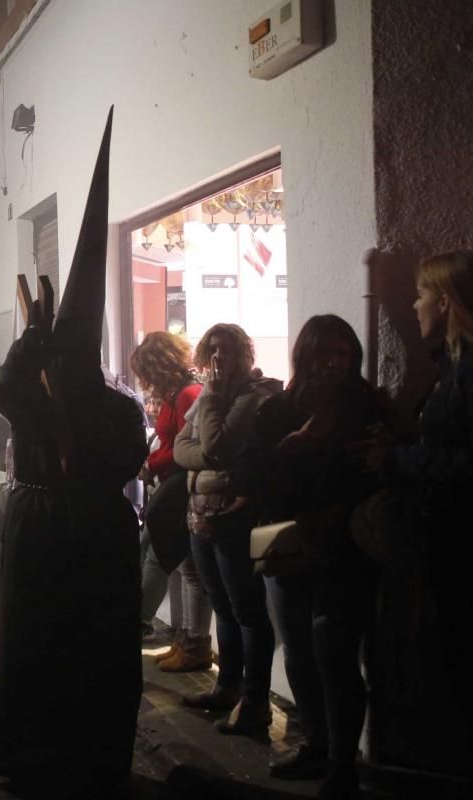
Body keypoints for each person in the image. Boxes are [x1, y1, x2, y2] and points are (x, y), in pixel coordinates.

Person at [0, 109, 149, 797]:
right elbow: (5, 386)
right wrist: (32, 341)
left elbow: (119, 463)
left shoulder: (117, 408)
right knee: (37, 646)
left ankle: (96, 752)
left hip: (88, 534)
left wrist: (60, 401)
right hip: (44, 532)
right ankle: (37, 749)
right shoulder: (33, 400)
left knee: (98, 648)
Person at [245, 315, 386, 795]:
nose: (330, 364)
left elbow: (377, 479)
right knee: (300, 654)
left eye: (340, 354)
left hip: (345, 551)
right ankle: (317, 745)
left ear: (353, 358)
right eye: (321, 353)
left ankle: (342, 765)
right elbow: (255, 483)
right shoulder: (278, 412)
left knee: (336, 655)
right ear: (302, 356)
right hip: (288, 547)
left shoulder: (368, 407)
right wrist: (290, 447)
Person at [366, 251, 473, 751]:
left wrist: (398, 461)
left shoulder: (467, 373)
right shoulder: (450, 367)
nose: (413, 305)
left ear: (446, 302)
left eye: (421, 294)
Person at [174, 322, 281, 735]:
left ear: (244, 354)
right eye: (213, 350)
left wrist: (213, 405)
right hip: (199, 510)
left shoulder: (252, 398)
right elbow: (185, 447)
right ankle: (228, 686)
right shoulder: (209, 397)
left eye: (228, 350)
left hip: (233, 513)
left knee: (247, 611)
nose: (219, 358)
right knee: (222, 605)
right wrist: (204, 452)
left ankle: (255, 701)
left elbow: (218, 446)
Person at [130, 332, 210, 672]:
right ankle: (187, 641)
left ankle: (191, 643)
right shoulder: (181, 394)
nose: (145, 381)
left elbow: (180, 448)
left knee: (175, 564)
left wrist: (152, 465)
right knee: (184, 566)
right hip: (176, 489)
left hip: (182, 491)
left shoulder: (188, 394)